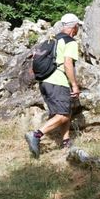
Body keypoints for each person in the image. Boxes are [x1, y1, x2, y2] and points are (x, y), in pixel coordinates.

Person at [25, 13, 82, 158]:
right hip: (57, 81)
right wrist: (74, 85)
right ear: (75, 27)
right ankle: (36, 135)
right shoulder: (70, 42)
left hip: (45, 81)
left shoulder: (53, 39)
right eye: (78, 27)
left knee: (65, 111)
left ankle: (66, 141)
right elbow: (68, 63)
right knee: (62, 114)